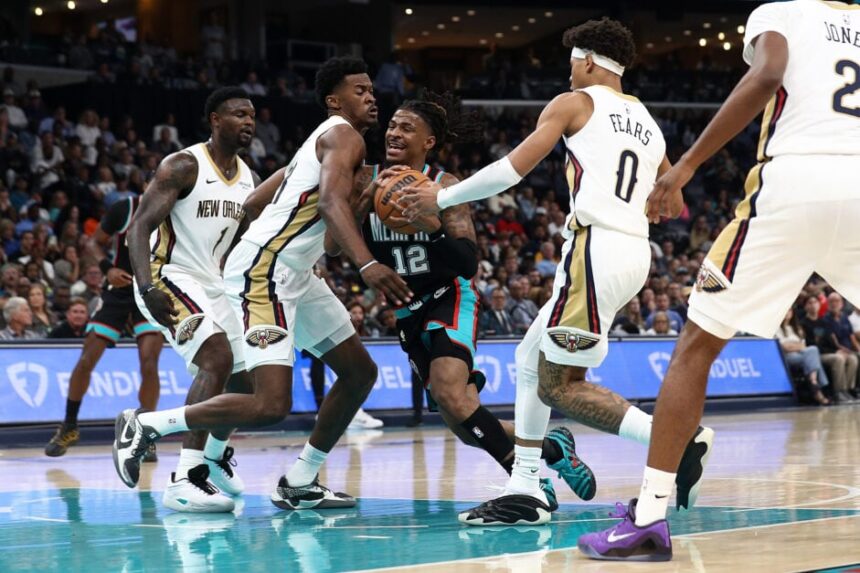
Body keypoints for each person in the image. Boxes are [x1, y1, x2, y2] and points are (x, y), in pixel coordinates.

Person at [578, 1, 860, 560]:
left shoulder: (779, 11)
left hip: (796, 181)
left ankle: (651, 516)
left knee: (697, 347)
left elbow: (769, 73)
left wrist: (684, 167)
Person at [401, 18, 712, 526]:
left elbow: (512, 168)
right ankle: (526, 485)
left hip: (594, 249)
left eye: (571, 62)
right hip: (634, 252)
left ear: (588, 61)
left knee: (559, 386)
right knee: (530, 359)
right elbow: (670, 204)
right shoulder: (648, 122)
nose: (568, 73)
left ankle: (678, 441)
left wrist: (443, 196)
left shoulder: (575, 102)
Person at [113, 58, 410, 511]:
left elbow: (282, 217)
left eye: (373, 90)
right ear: (334, 101)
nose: (372, 97)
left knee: (359, 372)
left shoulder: (326, 149)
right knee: (269, 401)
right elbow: (328, 203)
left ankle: (298, 478)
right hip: (259, 271)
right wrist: (367, 263)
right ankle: (151, 428)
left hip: (287, 271)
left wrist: (363, 203)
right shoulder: (339, 133)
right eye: (360, 90)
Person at [341, 92, 590, 513]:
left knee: (452, 397)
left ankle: (524, 482)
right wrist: (360, 205)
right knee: (462, 420)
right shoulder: (365, 179)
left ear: (429, 142)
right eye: (393, 125)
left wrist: (433, 226)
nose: (394, 133)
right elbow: (333, 246)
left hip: (448, 297)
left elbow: (468, 263)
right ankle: (550, 446)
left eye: (407, 128)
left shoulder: (446, 185)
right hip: (407, 311)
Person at [115, 87, 259, 513]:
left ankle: (213, 462)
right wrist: (145, 286)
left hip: (213, 283)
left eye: (252, 115)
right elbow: (138, 227)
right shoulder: (183, 164)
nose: (248, 122)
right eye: (238, 114)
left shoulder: (248, 177)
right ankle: (184, 477)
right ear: (215, 120)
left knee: (246, 379)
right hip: (169, 276)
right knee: (217, 358)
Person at [44, 196, 164, 458]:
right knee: (87, 359)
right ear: (148, 185)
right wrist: (107, 268)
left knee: (150, 364)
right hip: (119, 290)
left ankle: (146, 434)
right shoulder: (126, 208)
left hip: (151, 291)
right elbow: (94, 242)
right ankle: (69, 425)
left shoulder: (176, 212)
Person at [776, 307, 830, 406]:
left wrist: (794, 346)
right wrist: (798, 347)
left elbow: (803, 345)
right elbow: (785, 348)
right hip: (787, 357)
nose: (787, 313)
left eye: (789, 310)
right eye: (785, 310)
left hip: (802, 355)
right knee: (813, 353)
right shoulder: (777, 329)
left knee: (812, 351)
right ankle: (816, 384)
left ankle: (814, 385)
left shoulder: (796, 328)